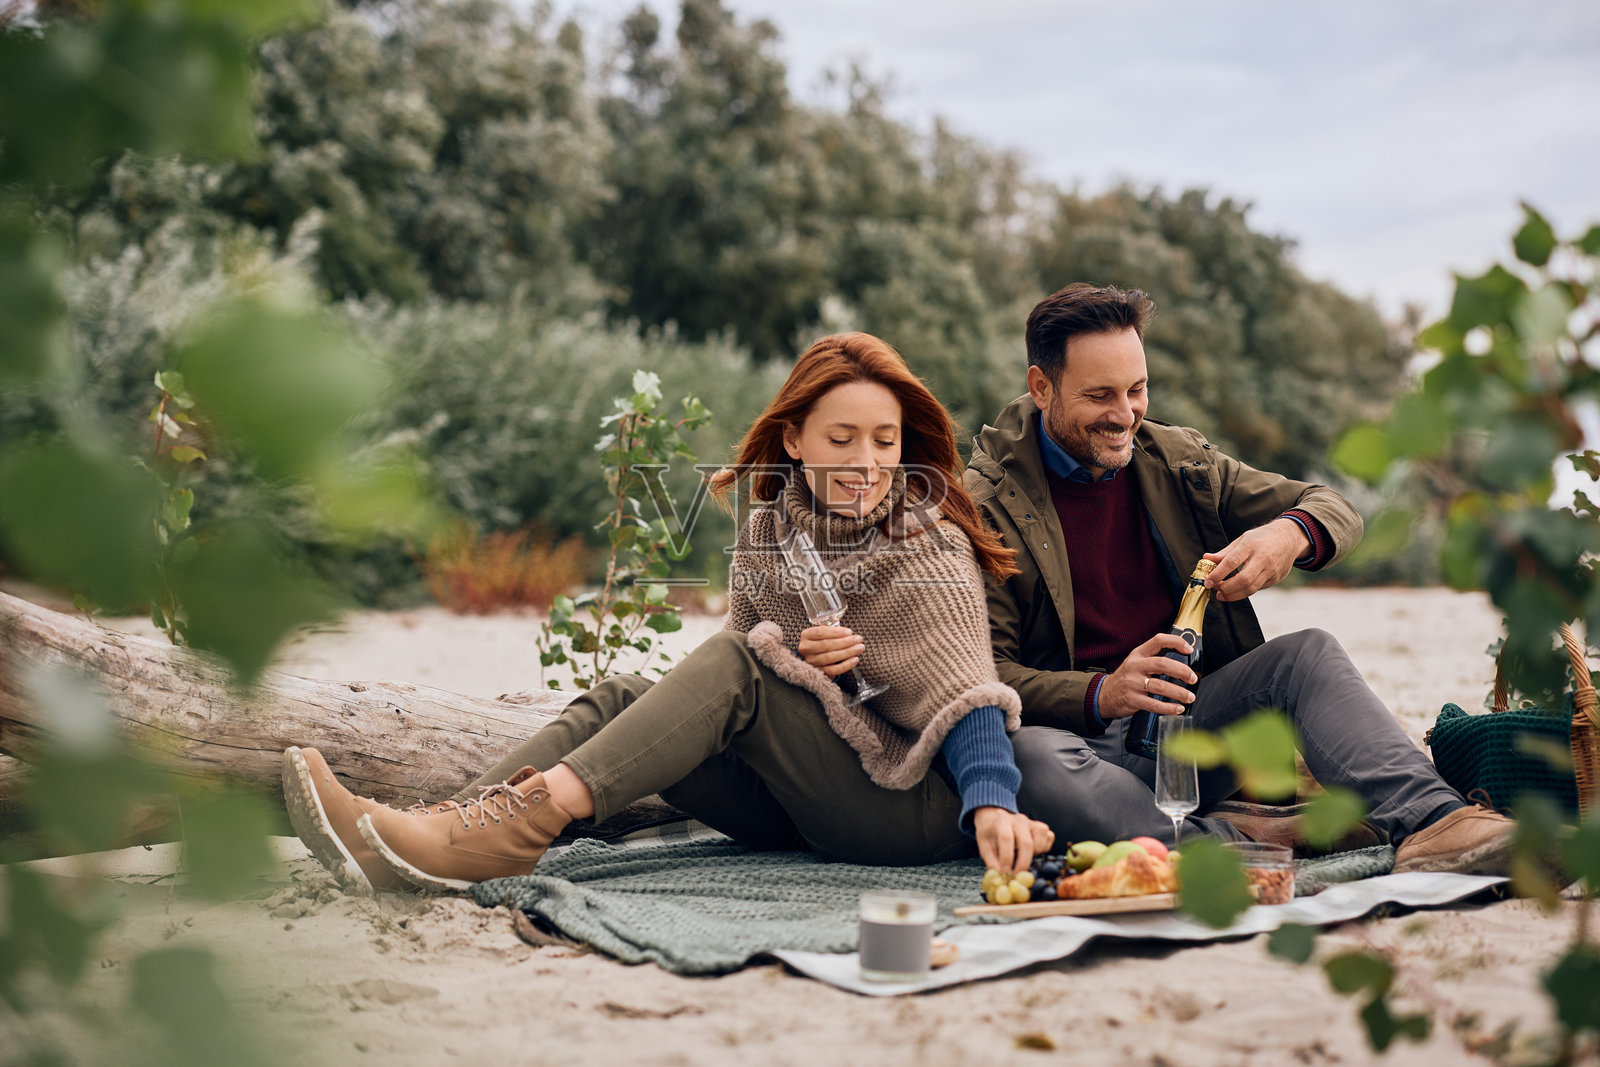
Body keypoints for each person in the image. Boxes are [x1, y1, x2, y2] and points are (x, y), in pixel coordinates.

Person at [284, 331, 1054, 895]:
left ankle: (518, 829)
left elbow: (966, 692)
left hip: (908, 807)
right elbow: (742, 695)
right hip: (803, 798)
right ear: (794, 438)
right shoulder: (769, 531)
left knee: (736, 661)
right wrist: (807, 666)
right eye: (843, 438)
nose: (868, 462)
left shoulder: (927, 540)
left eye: (886, 440)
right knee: (625, 691)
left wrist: (992, 801)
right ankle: (447, 828)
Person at [963, 282, 1515, 874]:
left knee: (1307, 655)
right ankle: (1239, 834)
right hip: (1072, 748)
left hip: (1194, 733)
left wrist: (1289, 534)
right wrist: (1104, 692)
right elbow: (982, 674)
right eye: (1099, 396)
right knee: (1026, 759)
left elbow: (1332, 506)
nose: (1125, 415)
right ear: (1041, 386)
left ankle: (1438, 822)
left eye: (1138, 389)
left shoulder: (1180, 461)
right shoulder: (982, 506)